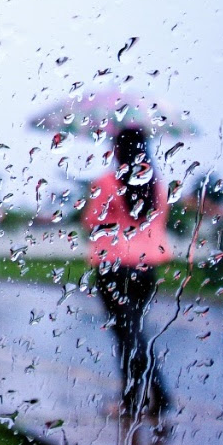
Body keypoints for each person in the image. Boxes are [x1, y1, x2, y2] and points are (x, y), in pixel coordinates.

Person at [82, 126, 173, 421]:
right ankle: (155, 397)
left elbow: (91, 221)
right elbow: (160, 221)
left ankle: (134, 401)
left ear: (118, 150)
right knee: (135, 331)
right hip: (147, 265)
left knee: (127, 334)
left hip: (113, 266)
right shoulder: (157, 185)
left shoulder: (106, 183)